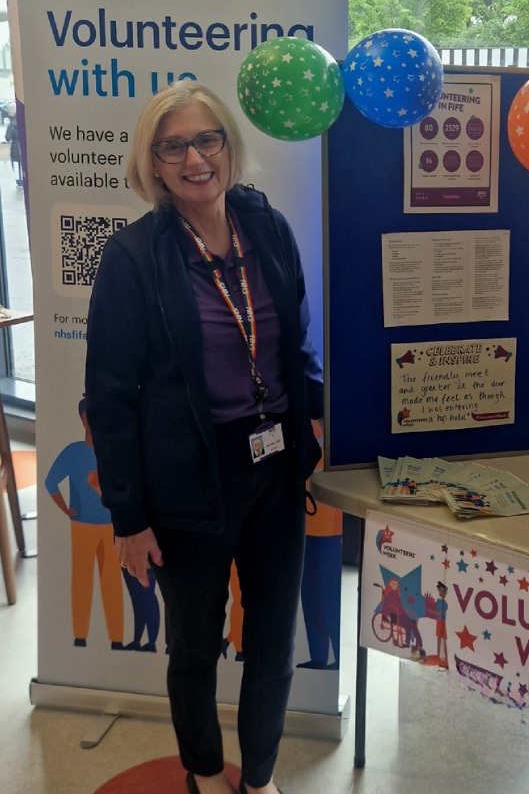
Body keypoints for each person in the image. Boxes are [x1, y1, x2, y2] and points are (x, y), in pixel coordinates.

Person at [85, 81, 324, 794]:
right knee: (193, 645)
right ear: (153, 163)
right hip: (187, 477)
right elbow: (110, 398)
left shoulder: (267, 225)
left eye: (207, 139)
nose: (195, 157)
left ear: (229, 145)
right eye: (175, 145)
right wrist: (129, 518)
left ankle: (257, 775)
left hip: (274, 467)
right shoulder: (133, 257)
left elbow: (298, 337)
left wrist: (311, 414)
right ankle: (200, 770)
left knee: (275, 640)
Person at [44, 396, 125, 650]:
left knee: (111, 580)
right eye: (88, 416)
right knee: (81, 579)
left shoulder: (112, 450)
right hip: (81, 525)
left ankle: (117, 638)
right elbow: (50, 482)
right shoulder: (74, 452)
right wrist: (66, 508)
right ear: (82, 419)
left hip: (110, 524)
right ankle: (80, 635)